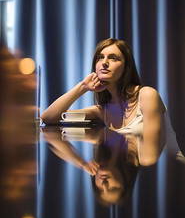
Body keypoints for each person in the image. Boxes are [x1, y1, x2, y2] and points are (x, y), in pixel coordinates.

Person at [41, 38, 183, 160]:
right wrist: (83, 86)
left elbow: (150, 157)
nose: (104, 62)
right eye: (100, 57)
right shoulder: (102, 110)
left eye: (113, 58)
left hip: (170, 177)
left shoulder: (146, 95)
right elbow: (48, 118)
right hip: (135, 174)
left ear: (126, 67)